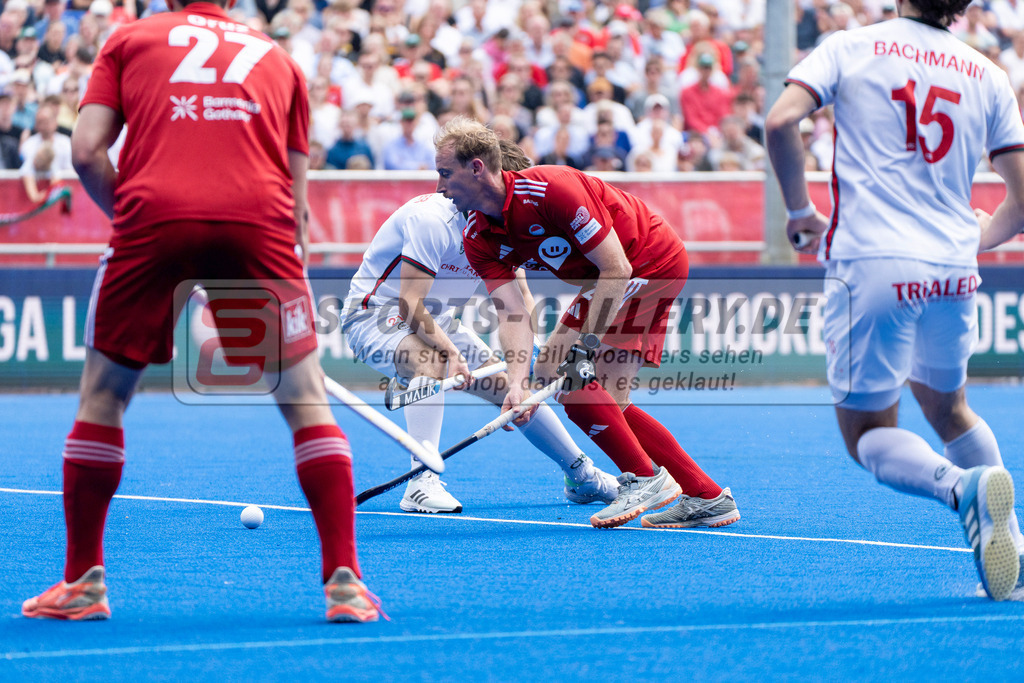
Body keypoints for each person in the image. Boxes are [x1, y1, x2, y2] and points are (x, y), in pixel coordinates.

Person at [21, 0, 384, 623]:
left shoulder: (131, 38)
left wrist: (137, 216)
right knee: (305, 404)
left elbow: (84, 152)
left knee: (102, 399)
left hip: (152, 214)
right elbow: (297, 207)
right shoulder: (282, 61)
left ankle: (82, 583)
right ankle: (345, 583)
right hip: (260, 224)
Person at [765, 0, 1024, 601]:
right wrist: (973, 237)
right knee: (950, 408)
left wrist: (801, 212)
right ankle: (1010, 537)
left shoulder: (853, 46)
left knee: (867, 434)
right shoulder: (986, 72)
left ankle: (962, 491)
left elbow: (781, 122)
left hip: (873, 263)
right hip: (955, 269)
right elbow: (1020, 202)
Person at [433, 116, 741, 530]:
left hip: (646, 261)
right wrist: (518, 383)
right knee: (579, 386)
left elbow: (617, 268)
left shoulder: (552, 188)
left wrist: (585, 347)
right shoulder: (477, 236)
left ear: (476, 168)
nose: (438, 187)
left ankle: (645, 479)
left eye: (444, 173)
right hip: (609, 278)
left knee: (572, 376)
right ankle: (705, 495)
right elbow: (513, 313)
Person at [340, 138, 618, 514]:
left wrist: (525, 359)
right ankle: (421, 481)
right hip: (374, 315)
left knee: (511, 392)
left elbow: (518, 304)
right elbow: (409, 305)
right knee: (428, 359)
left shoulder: (505, 225)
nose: (439, 185)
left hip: (437, 319)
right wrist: (452, 353)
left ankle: (581, 474)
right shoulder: (432, 220)